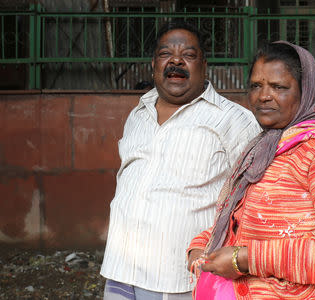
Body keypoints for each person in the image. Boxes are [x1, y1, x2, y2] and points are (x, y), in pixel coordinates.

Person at [187, 41, 315, 299]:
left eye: (279, 87)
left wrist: (243, 259)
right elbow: (244, 222)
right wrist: (203, 246)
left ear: (306, 92)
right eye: (256, 85)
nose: (263, 95)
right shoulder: (264, 148)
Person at [100, 20, 261, 300]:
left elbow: (256, 194)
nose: (176, 61)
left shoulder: (233, 120)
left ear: (204, 64)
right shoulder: (139, 112)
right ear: (153, 64)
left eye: (188, 55)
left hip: (179, 279)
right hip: (120, 268)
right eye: (166, 54)